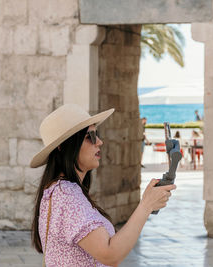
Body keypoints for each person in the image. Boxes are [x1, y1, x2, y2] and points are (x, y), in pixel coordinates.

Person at [30, 104, 176, 267]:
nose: (99, 142)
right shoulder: (66, 195)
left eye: (96, 134)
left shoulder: (58, 190)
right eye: (90, 136)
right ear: (64, 146)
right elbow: (109, 254)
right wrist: (146, 205)